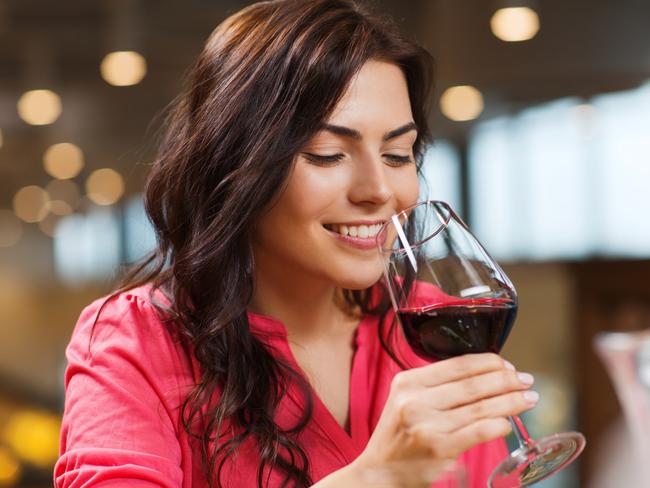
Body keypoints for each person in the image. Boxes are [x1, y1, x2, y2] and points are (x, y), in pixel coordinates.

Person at [54, 1, 538, 486]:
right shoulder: (134, 341)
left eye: (397, 154)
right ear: (234, 165)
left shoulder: (429, 329)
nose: (378, 190)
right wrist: (377, 477)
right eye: (327, 155)